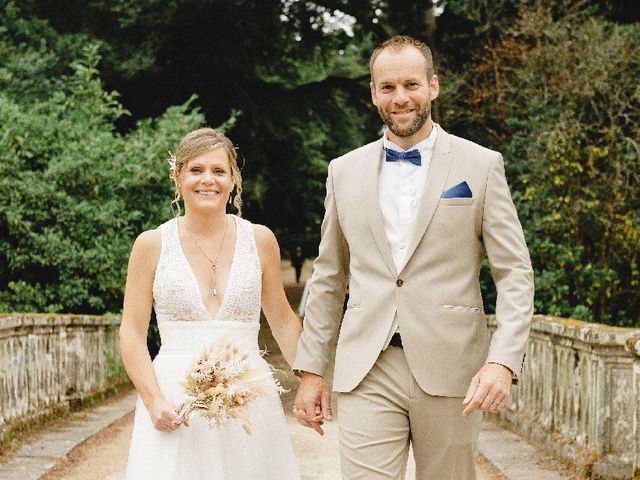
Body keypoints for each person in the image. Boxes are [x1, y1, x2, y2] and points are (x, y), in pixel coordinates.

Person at [292, 35, 534, 480]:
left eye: (411, 84)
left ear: (433, 87)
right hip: (367, 366)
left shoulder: (480, 165)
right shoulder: (342, 171)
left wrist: (502, 361)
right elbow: (328, 277)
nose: (400, 97)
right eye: (387, 87)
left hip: (452, 368)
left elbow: (515, 272)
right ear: (373, 93)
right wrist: (311, 370)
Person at [120, 128, 301, 480]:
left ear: (234, 180)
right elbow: (131, 332)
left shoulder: (260, 240)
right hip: (175, 400)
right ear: (178, 178)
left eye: (219, 171)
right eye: (196, 170)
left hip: (248, 399)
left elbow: (282, 320)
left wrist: (310, 379)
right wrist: (154, 400)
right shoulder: (151, 245)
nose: (208, 180)